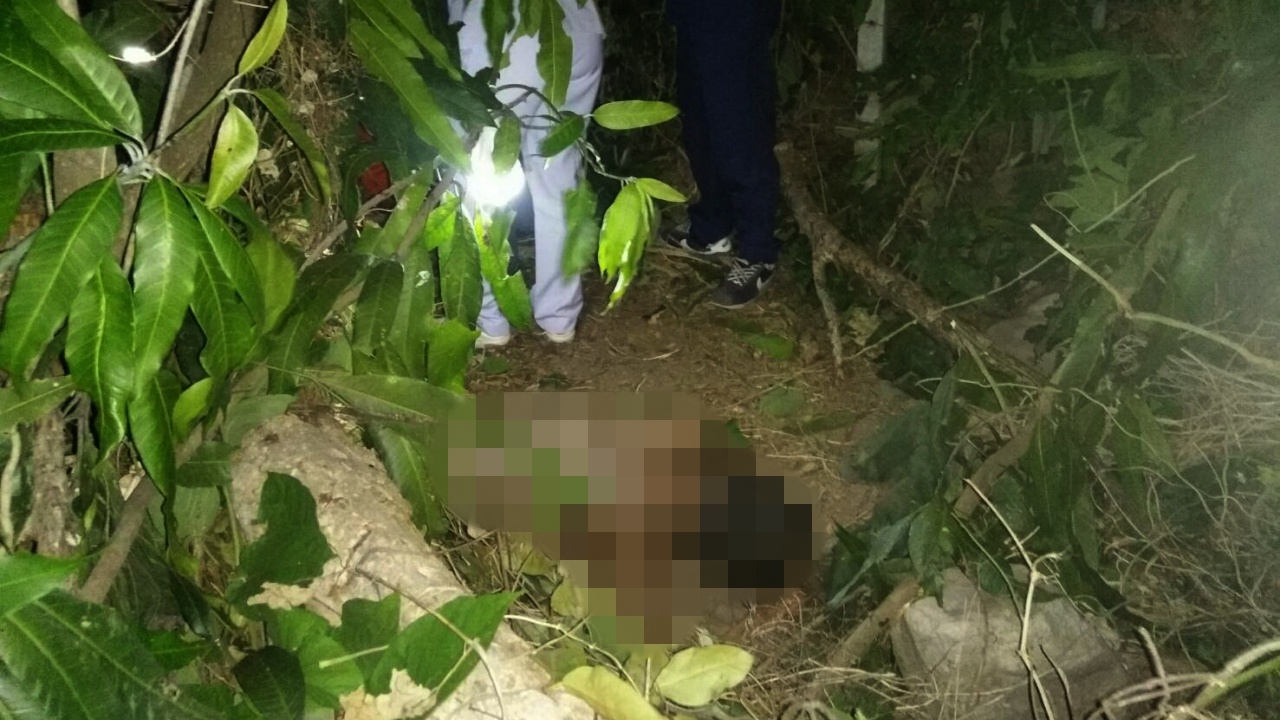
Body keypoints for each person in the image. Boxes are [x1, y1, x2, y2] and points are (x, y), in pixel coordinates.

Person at [447, 0, 605, 347]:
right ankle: (560, 315)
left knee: (472, 177)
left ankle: (487, 319)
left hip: (497, 34)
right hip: (576, 28)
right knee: (559, 176)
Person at [663, 0, 784, 309]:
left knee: (739, 125)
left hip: (734, 12)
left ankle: (758, 252)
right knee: (701, 121)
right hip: (695, 12)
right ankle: (713, 225)